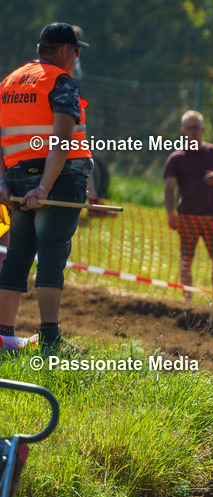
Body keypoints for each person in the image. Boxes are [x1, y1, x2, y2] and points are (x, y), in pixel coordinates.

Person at [0, 23, 93, 353]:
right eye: (76, 51)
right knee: (52, 252)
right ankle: (50, 339)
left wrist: (3, 182)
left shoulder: (8, 82)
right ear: (66, 50)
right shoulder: (61, 81)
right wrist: (44, 187)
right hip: (59, 180)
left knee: (18, 253)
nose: (76, 58)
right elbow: (63, 139)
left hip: (16, 178)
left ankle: (3, 335)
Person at [163, 110, 213, 305]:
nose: (193, 131)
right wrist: (170, 214)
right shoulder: (176, 158)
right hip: (187, 218)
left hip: (212, 217)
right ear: (183, 130)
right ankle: (187, 301)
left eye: (196, 127)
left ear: (203, 129)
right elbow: (169, 189)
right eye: (189, 128)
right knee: (186, 260)